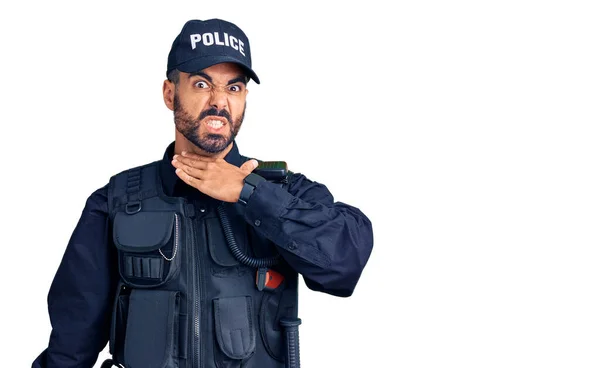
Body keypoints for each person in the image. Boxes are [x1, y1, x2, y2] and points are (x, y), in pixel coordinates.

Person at [32, 18, 373, 368]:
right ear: (170, 93)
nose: (219, 102)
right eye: (201, 84)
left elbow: (345, 263)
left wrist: (249, 193)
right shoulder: (116, 202)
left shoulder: (282, 192)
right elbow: (71, 346)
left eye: (233, 88)